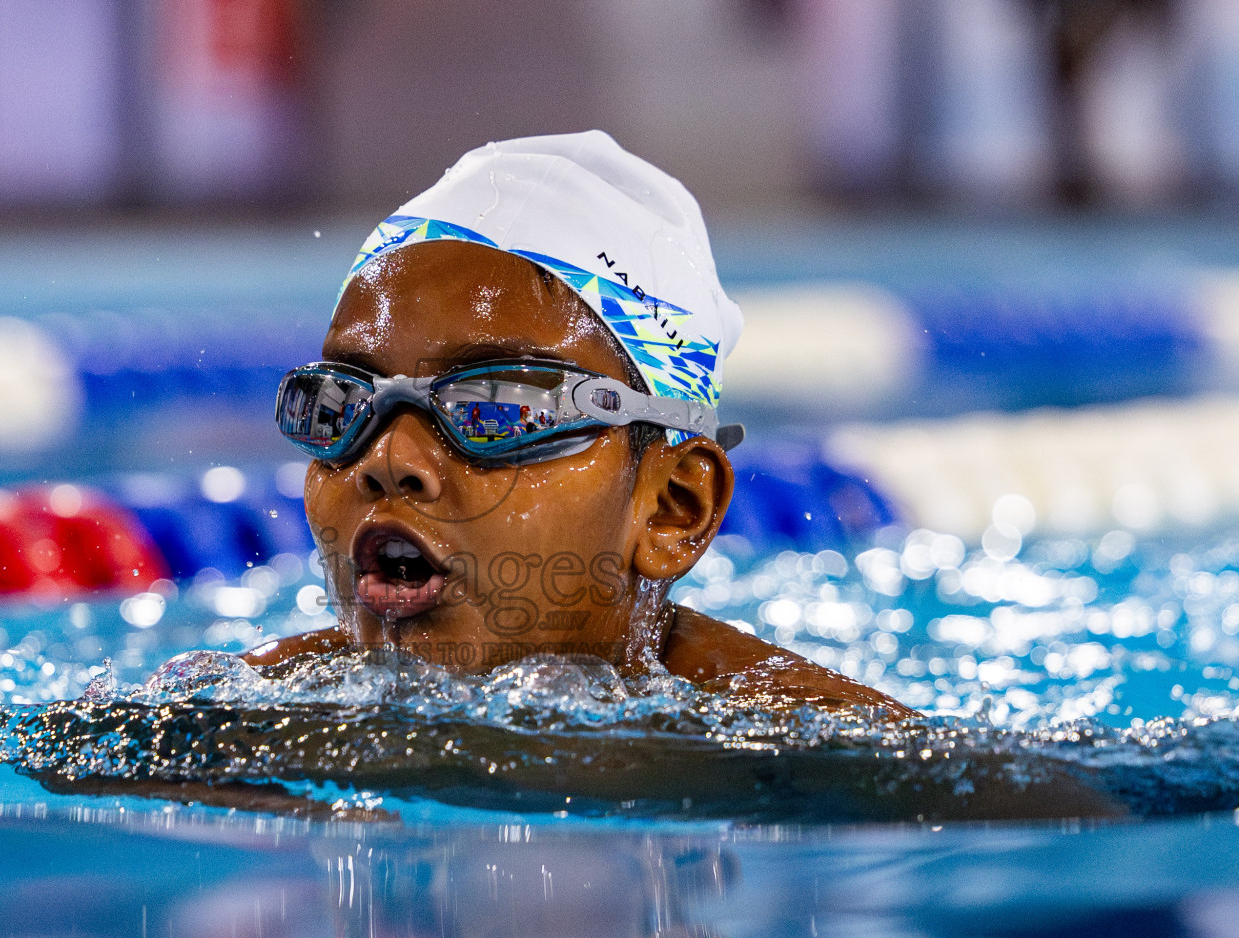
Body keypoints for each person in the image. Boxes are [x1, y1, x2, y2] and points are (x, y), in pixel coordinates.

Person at [249, 131, 910, 718]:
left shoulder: (815, 747)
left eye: (497, 406)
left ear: (673, 509)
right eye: (341, 401)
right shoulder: (256, 712)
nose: (389, 459)